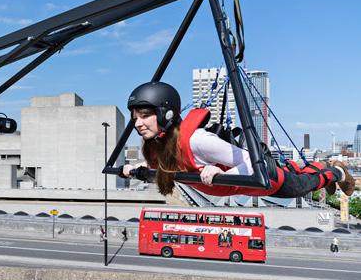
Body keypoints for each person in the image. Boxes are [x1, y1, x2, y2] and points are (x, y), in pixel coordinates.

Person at [119, 82, 356, 199]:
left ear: (165, 113)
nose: (138, 123)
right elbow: (160, 168)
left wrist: (222, 174)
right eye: (135, 117)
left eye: (145, 115)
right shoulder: (156, 146)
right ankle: (323, 168)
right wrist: (134, 170)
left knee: (304, 184)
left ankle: (336, 173)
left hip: (267, 180)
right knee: (295, 170)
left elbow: (251, 163)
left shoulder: (197, 141)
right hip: (249, 185)